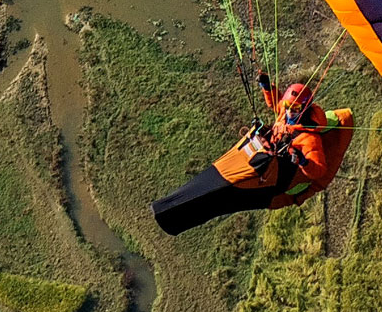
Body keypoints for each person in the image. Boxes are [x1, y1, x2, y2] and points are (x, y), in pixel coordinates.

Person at [151, 68, 357, 234]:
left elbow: (319, 170)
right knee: (212, 183)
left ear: (304, 109)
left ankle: (173, 217)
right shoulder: (285, 113)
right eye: (287, 106)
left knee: (223, 196)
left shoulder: (310, 139)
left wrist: (302, 161)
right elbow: (276, 103)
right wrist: (267, 87)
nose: (288, 111)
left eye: (294, 109)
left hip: (275, 179)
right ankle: (167, 208)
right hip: (260, 157)